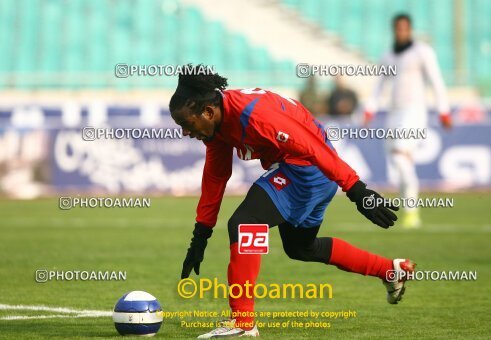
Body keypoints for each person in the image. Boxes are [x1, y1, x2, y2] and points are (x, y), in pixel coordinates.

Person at [169, 65, 416, 338]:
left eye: (186, 124)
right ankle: (390, 270)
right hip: (308, 172)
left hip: (308, 169)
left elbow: (312, 148)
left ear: (207, 112)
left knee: (246, 223)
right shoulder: (217, 122)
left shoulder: (255, 115)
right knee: (301, 248)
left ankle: (242, 321)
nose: (185, 132)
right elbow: (216, 177)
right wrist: (200, 235)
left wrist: (356, 190)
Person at [364, 13, 452, 229]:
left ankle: (412, 212)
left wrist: (444, 111)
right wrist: (369, 110)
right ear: (394, 30)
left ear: (410, 30)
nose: (401, 32)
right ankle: (409, 209)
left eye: (405, 28)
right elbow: (379, 87)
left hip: (414, 111)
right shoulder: (388, 56)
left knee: (401, 158)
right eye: (398, 28)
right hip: (393, 114)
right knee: (398, 162)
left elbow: (436, 80)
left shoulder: (422, 52)